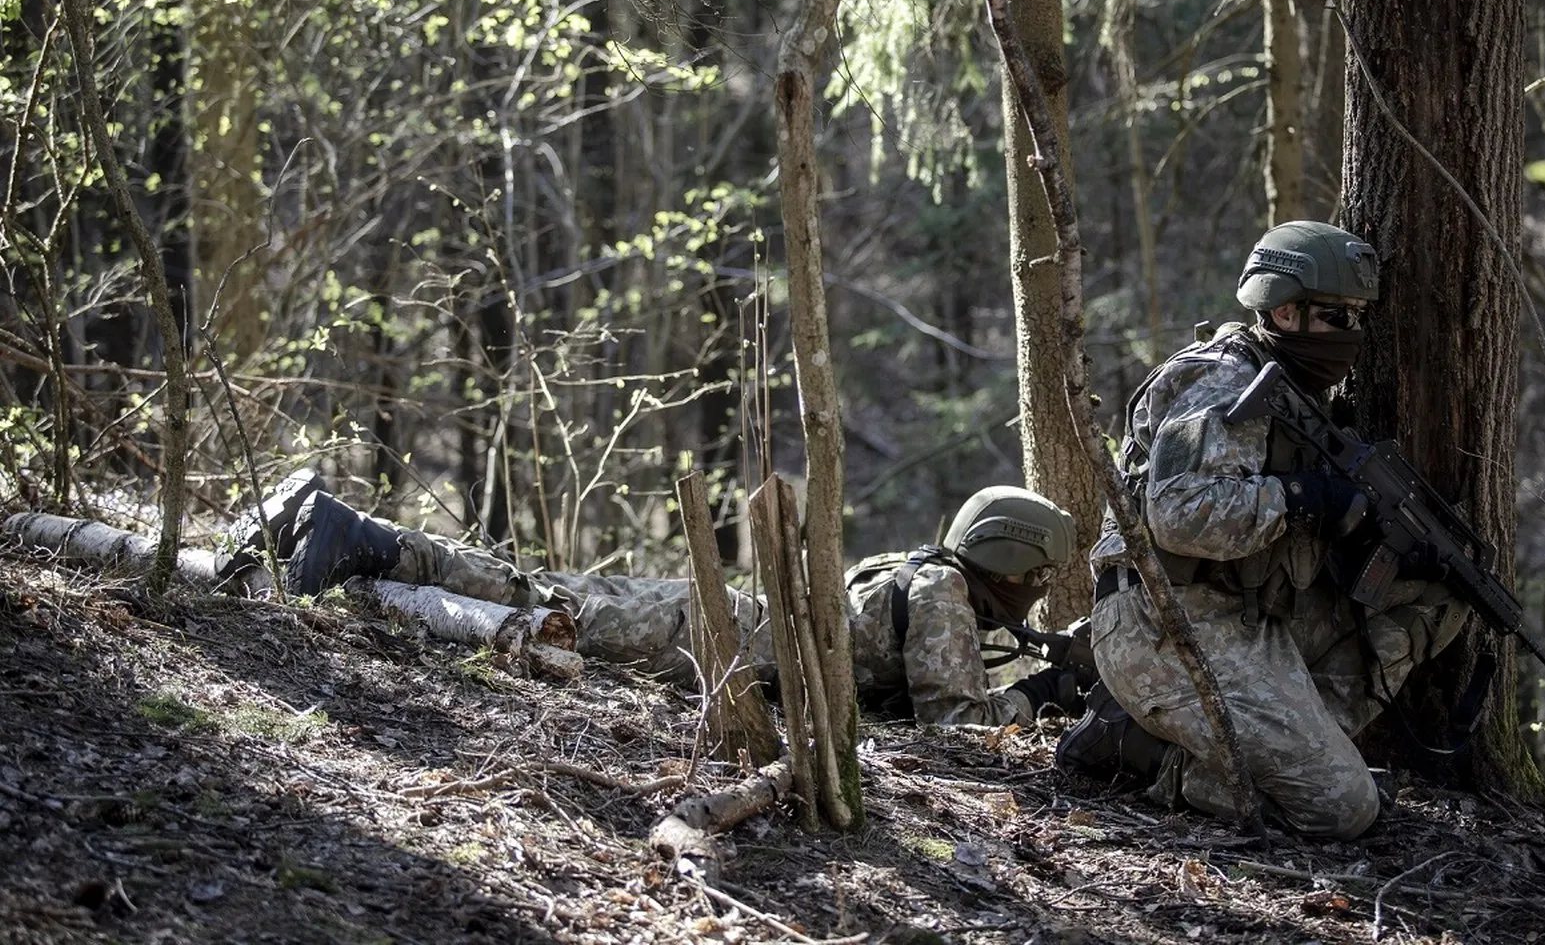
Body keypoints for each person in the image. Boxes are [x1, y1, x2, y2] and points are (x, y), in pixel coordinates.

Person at [1056, 220, 1468, 839]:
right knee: (1343, 809)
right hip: (1166, 618)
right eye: (1336, 316)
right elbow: (1179, 513)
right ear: (1282, 310)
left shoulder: (1301, 396)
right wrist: (1303, 498)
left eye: (1359, 317)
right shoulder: (1222, 380)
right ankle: (1142, 752)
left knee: (1433, 595)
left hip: (1252, 615)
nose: (1352, 333)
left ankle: (1296, 755)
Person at [231, 479, 1085, 729]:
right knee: (538, 596)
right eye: (1037, 575)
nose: (1037, 591)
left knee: (535, 588)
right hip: (706, 633)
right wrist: (1040, 697)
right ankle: (362, 539)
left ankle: (346, 539)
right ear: (1009, 559)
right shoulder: (941, 593)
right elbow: (954, 725)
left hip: (710, 623)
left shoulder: (924, 573)